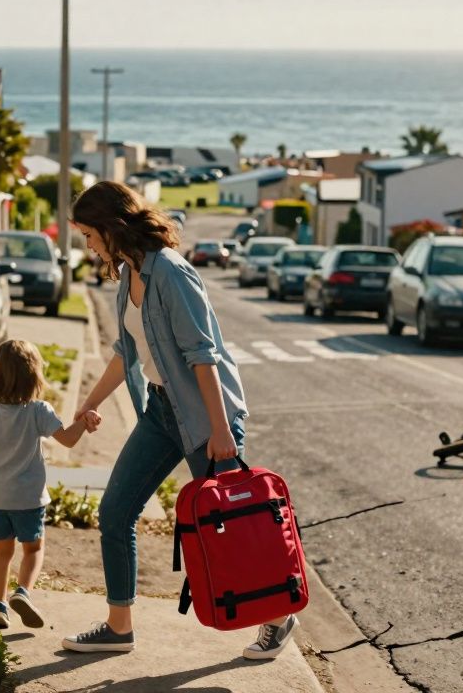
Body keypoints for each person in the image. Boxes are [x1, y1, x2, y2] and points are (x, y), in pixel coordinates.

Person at [61, 181, 298, 660]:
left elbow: (202, 356)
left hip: (203, 415)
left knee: (236, 519)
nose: (86, 245)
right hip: (159, 411)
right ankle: (119, 626)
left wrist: (220, 429)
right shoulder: (128, 274)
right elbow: (125, 352)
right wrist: (90, 404)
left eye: (88, 234)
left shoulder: (171, 273)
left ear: (110, 228)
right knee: (115, 513)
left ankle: (279, 615)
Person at [0, 339, 101, 630]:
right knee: (33, 549)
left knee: (2, 552)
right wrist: (84, 422)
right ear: (34, 376)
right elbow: (68, 439)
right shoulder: (39, 410)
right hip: (29, 497)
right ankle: (22, 591)